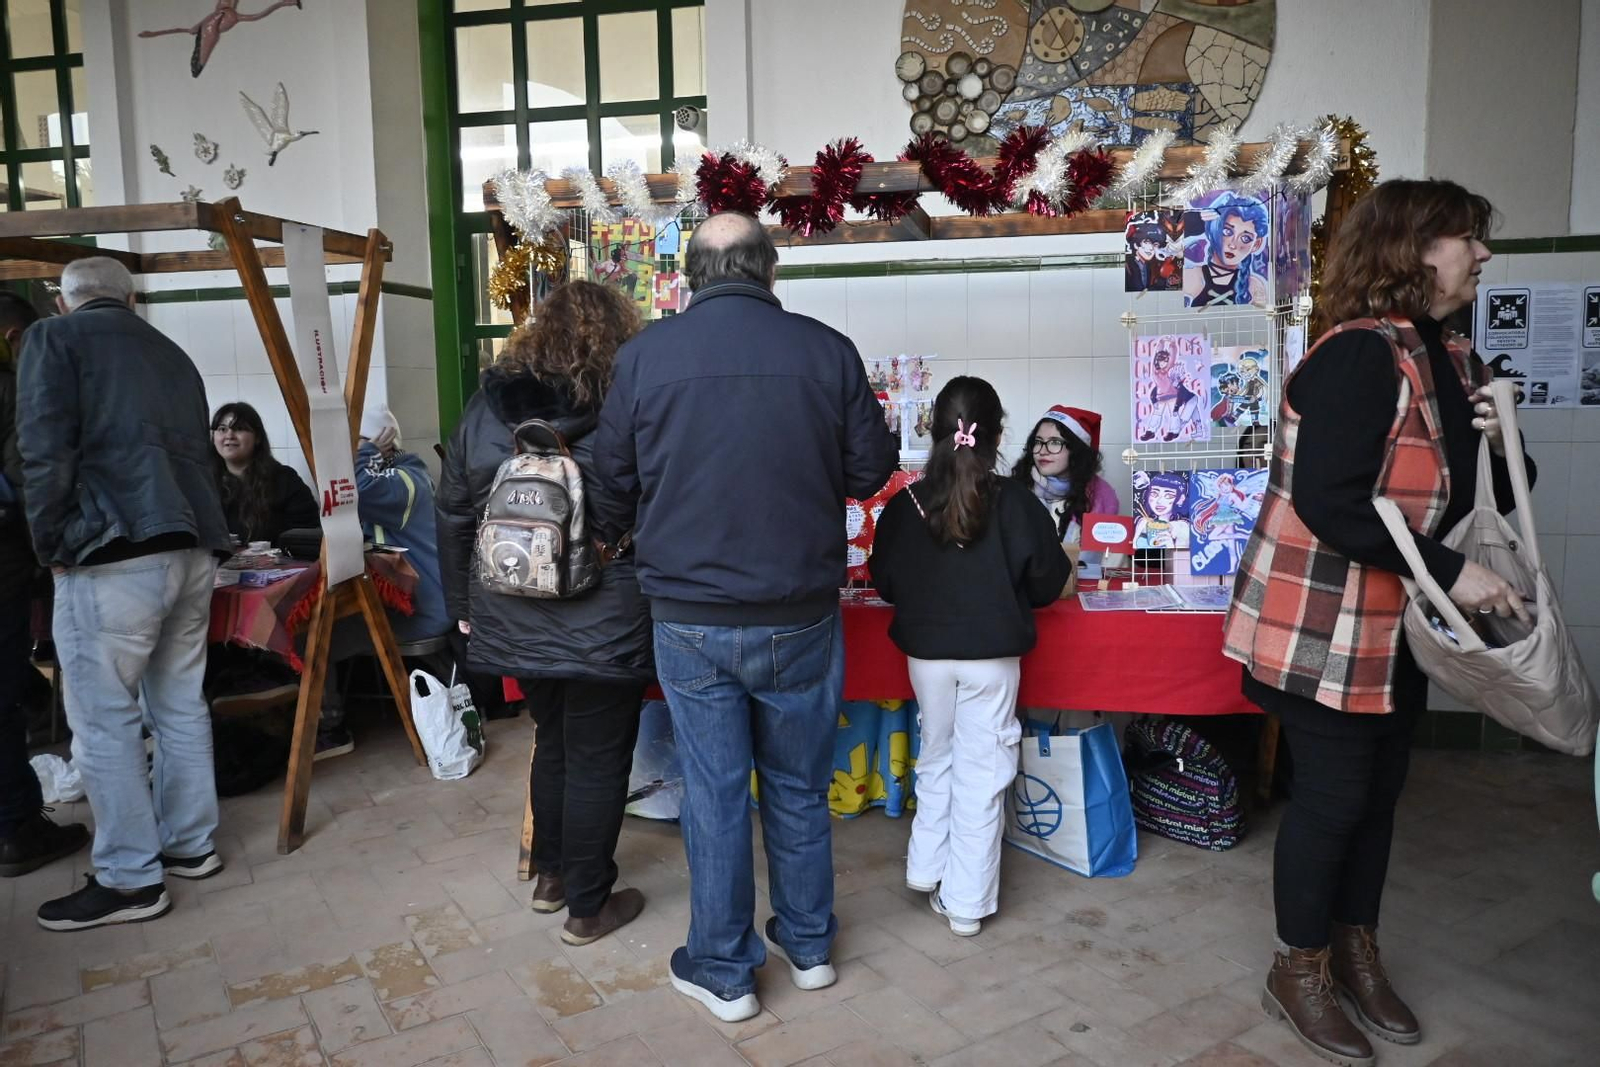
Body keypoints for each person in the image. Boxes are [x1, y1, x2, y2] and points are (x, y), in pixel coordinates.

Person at [1223, 179, 1535, 1066]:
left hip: (1397, 630)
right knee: (1332, 799)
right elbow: (1329, 501)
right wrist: (1453, 571)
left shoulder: (1454, 355)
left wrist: (1504, 438)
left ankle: (1356, 950)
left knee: (1379, 799)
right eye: (1466, 237)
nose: (1481, 254)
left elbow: (1499, 496)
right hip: (1321, 627)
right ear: (1411, 249)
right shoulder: (1358, 354)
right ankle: (1301, 968)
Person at [594, 211, 898, 1021]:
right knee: (798, 785)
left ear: (692, 274)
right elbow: (872, 470)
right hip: (799, 611)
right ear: (769, 271)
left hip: (689, 615)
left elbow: (608, 488)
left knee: (717, 790)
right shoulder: (825, 349)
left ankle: (725, 971)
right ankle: (807, 946)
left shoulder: (644, 357)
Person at [17, 257, 234, 929]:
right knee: (177, 703)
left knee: (104, 720)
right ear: (130, 296)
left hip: (111, 552)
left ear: (62, 300)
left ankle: (131, 878)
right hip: (192, 546)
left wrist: (50, 544)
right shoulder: (173, 352)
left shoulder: (53, 340)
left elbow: (44, 450)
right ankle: (190, 845)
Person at [437, 280, 653, 947]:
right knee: (597, 752)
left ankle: (552, 876)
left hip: (510, 603)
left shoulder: (486, 406)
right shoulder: (627, 402)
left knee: (553, 737)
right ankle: (588, 906)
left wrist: (463, 607)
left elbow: (452, 508)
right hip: (604, 605)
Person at [868, 377, 1068, 936]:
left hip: (927, 658)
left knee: (937, 755)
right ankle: (966, 903)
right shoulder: (1018, 502)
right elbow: (1049, 582)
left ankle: (926, 867)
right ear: (999, 433)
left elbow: (884, 581)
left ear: (933, 431)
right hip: (992, 659)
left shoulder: (904, 505)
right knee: (984, 772)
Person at [0, 292, 91, 878]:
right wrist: (54, 551)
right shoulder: (12, 389)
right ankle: (15, 827)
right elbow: (30, 472)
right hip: (6, 564)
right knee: (4, 698)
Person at [311, 403, 456, 759]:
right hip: (394, 602)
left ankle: (332, 727)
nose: (349, 451)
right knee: (320, 625)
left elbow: (354, 492)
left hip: (419, 608)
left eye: (357, 441)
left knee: (318, 637)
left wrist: (363, 453)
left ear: (383, 441)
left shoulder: (408, 479)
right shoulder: (390, 477)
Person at [1010, 405, 1120, 569]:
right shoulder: (1015, 490)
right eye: (1038, 442)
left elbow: (1113, 567)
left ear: (1076, 450)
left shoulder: (1101, 498)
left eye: (1055, 442)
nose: (1043, 451)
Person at [210, 402, 319, 546]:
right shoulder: (204, 482)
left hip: (279, 564)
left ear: (258, 438)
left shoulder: (285, 479)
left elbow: (307, 533)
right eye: (222, 429)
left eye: (240, 429)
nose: (229, 435)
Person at [1184, 191, 1271, 308]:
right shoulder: (1193, 277)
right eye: (1227, 231)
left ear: (1256, 244)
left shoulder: (1253, 286)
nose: (1233, 245)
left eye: (1245, 238)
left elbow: (1261, 321)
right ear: (1214, 229)